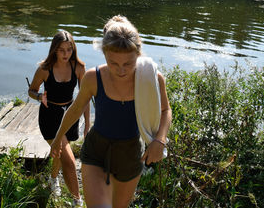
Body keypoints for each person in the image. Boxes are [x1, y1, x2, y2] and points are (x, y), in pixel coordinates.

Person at [50, 15, 172, 208]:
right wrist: (57, 139)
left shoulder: (152, 79)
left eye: (128, 64)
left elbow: (165, 110)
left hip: (130, 156)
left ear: (138, 55)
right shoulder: (93, 78)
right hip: (96, 152)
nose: (121, 70)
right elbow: (75, 110)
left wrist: (159, 140)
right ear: (105, 53)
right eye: (114, 63)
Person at [28, 30, 90, 207]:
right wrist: (39, 97)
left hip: (70, 116)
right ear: (54, 50)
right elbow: (31, 90)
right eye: (61, 50)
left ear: (73, 49)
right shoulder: (44, 69)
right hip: (50, 116)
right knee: (69, 161)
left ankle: (53, 178)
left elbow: (85, 97)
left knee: (58, 154)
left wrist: (87, 124)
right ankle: (78, 201)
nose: (65, 54)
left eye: (69, 49)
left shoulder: (78, 67)